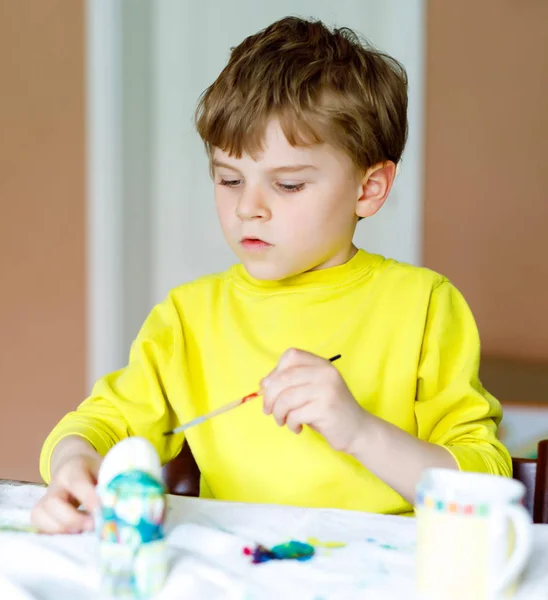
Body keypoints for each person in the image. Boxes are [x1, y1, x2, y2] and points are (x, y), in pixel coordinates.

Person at [31, 16, 511, 534]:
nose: (248, 209)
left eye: (287, 185)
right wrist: (72, 462)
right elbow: (99, 425)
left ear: (368, 189)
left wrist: (359, 432)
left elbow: (483, 482)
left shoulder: (425, 307)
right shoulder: (187, 319)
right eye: (230, 179)